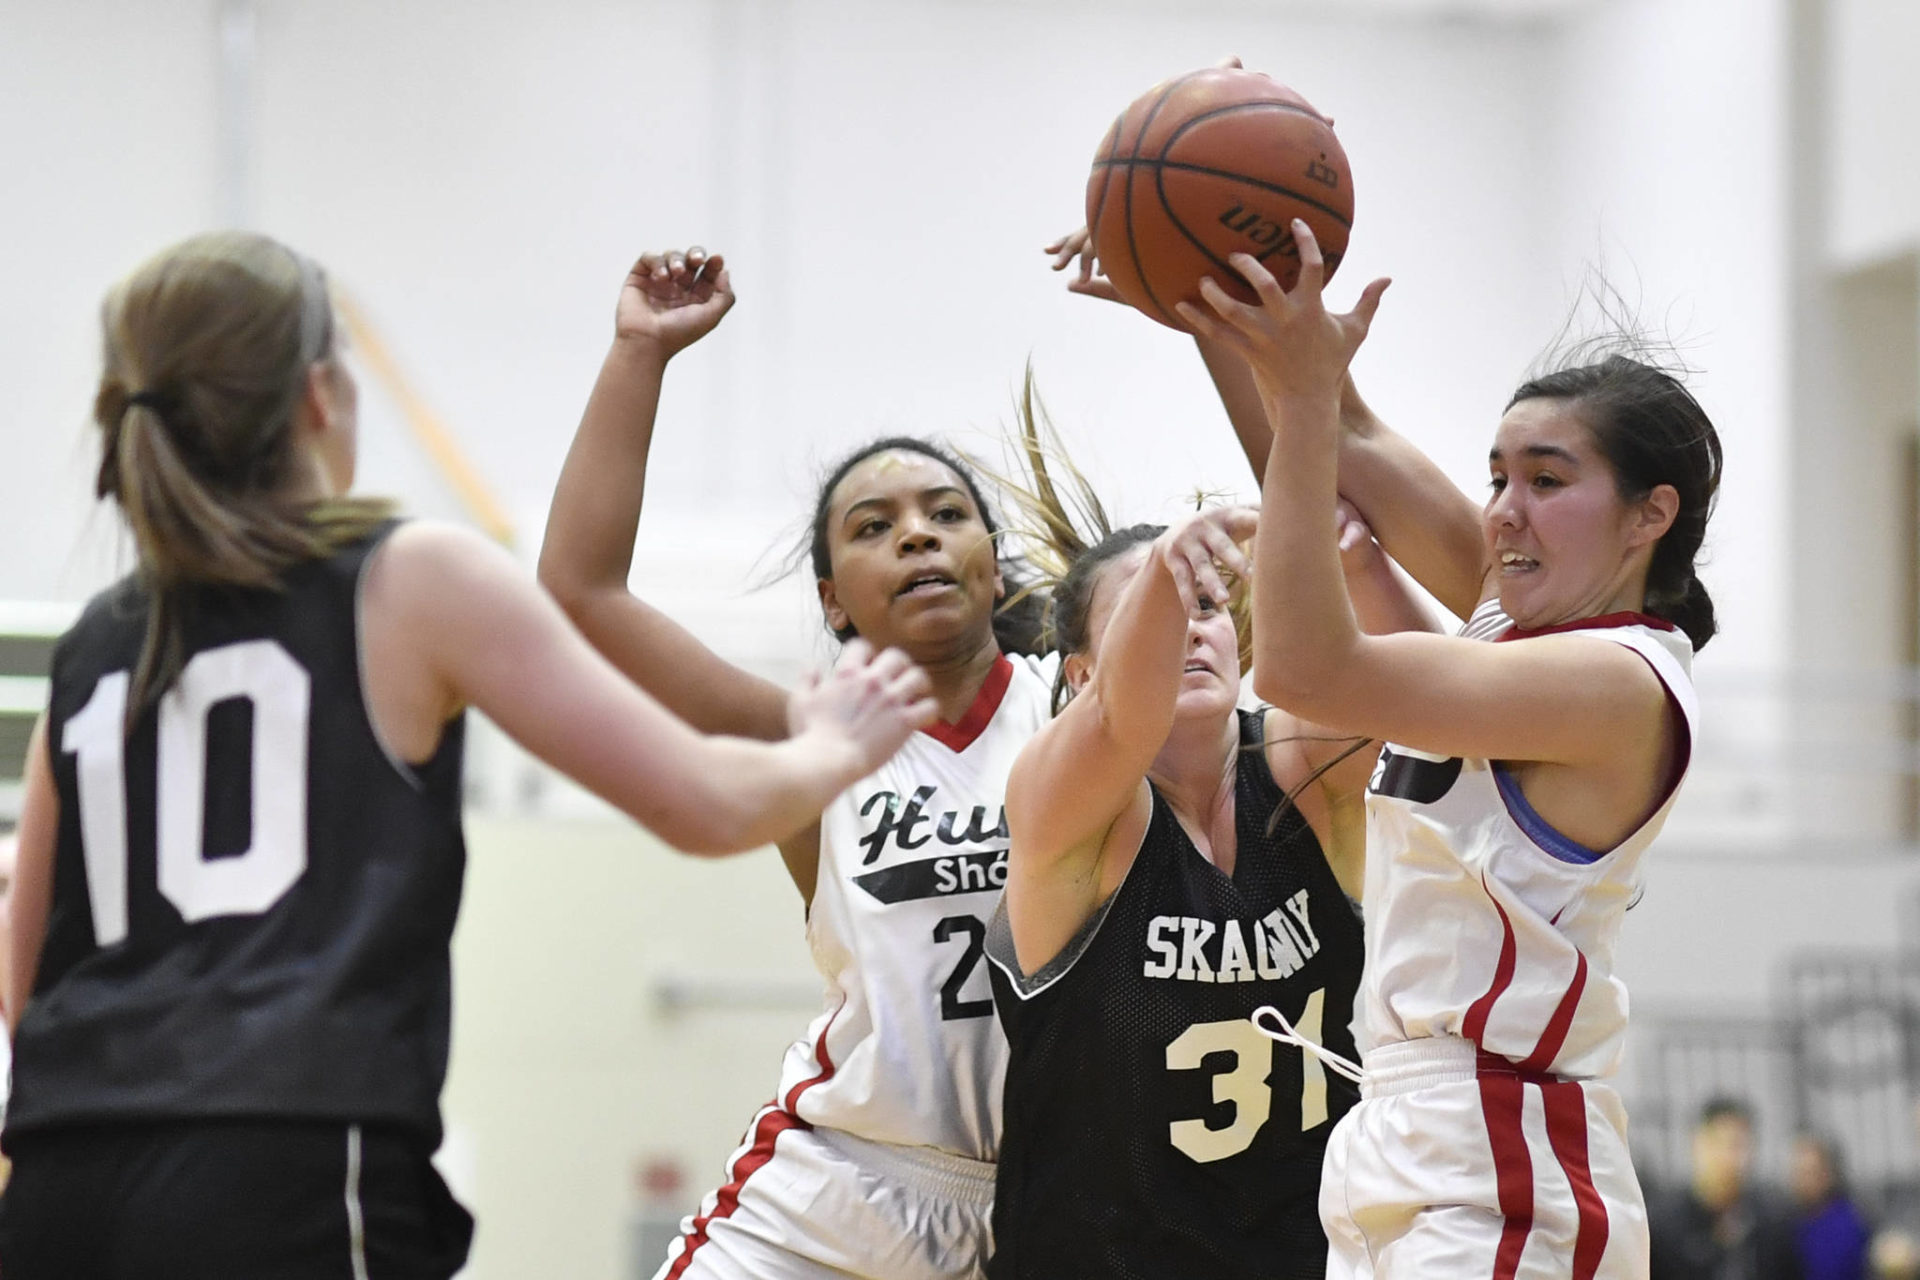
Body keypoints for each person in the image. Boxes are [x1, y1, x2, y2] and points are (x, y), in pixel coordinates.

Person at [0, 231, 937, 1280]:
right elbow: (706, 804)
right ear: (321, 395)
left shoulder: (98, 639)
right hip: (285, 1162)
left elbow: (26, 967)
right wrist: (828, 744)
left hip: (56, 1179)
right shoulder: (405, 575)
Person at [1182, 222, 1719, 1277]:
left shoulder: (1617, 682)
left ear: (1650, 513)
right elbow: (1334, 435)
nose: (1505, 512)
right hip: (1398, 1124)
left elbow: (1300, 665)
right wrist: (1202, 283)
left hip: (1505, 1152)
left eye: (1547, 480)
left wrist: (1300, 401)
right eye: (1497, 475)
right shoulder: (1512, 622)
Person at [540, 247, 1061, 1280]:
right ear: (834, 600)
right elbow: (582, 594)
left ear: (993, 567)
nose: (917, 535)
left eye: (945, 514)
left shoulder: (1080, 712)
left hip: (1055, 1198)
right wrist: (639, 353)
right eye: (875, 528)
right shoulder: (811, 739)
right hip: (839, 1188)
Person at [980, 408, 1430, 1275]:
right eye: (1156, 611)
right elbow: (1121, 720)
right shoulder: (1068, 812)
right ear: (1078, 672)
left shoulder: (1297, 773)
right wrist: (1167, 566)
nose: (1191, 625)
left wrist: (1355, 556)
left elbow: (1413, 694)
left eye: (1210, 606)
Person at [1646, 1099, 1804, 1279]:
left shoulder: (1773, 1220)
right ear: (1696, 1144)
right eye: (1718, 1143)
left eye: (1738, 1145)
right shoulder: (1662, 1225)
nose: (1729, 1157)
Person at [1791, 1131, 1872, 1280]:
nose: (1801, 1181)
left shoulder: (1848, 1225)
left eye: (1810, 1173)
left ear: (1829, 1174)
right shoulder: (1794, 1222)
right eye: (1798, 1172)